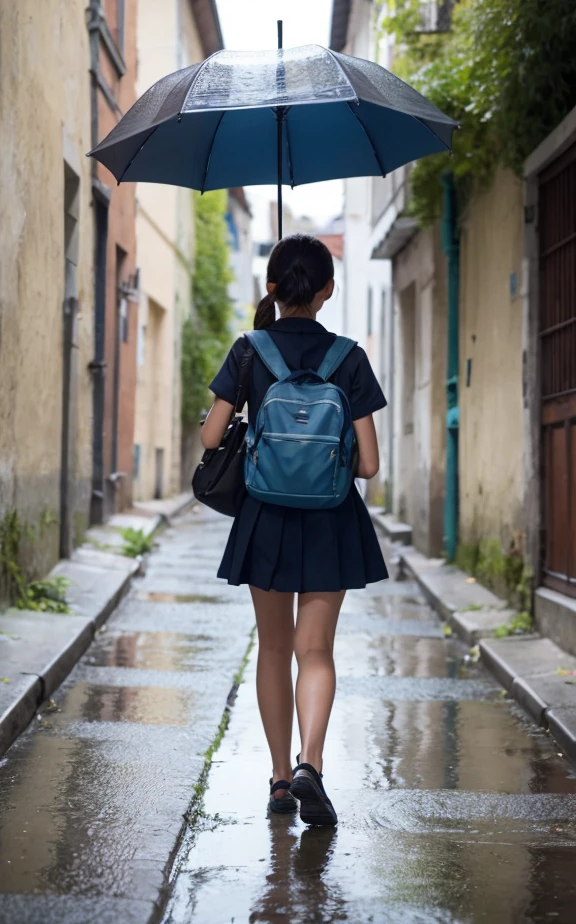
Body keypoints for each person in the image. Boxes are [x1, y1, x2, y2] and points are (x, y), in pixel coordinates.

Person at [201, 233, 388, 826]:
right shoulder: (349, 357)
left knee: (275, 649)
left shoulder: (249, 351)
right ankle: (313, 764)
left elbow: (210, 440)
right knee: (316, 652)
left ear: (272, 288)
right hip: (331, 520)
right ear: (328, 290)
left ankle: (281, 780)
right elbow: (369, 464)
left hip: (266, 520)